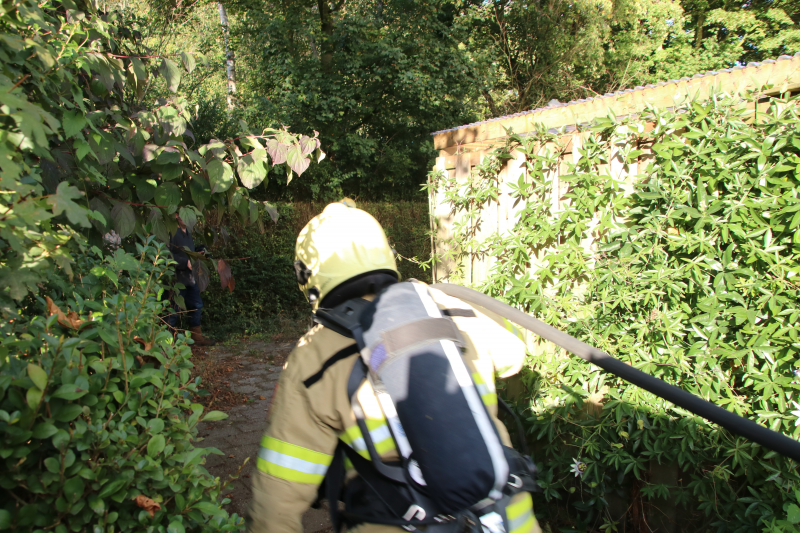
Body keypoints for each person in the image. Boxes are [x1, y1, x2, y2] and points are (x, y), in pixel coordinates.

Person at [247, 201, 541, 533]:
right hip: (508, 519)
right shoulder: (452, 307)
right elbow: (515, 355)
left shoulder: (313, 356)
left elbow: (279, 491)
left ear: (309, 276)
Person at [166, 213, 215, 346]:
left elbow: (188, 251)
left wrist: (198, 253)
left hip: (191, 278)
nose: (184, 217)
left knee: (196, 305)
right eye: (181, 214)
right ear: (176, 215)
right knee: (173, 310)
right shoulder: (171, 232)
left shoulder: (187, 233)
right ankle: (166, 343)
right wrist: (184, 262)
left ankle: (197, 338)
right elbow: (165, 254)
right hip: (176, 279)